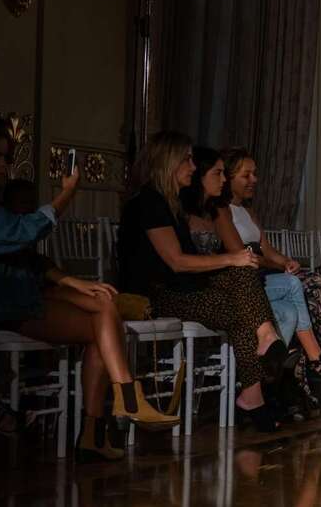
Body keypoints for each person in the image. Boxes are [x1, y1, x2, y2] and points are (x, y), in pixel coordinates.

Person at [0, 119, 179, 463]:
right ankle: (122, 405)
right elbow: (23, 233)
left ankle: (99, 428)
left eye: (6, 158)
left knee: (103, 306)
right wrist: (67, 193)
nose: (3, 166)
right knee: (102, 318)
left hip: (22, 290)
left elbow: (26, 256)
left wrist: (70, 281)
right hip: (0, 301)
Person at [118, 131, 286, 432]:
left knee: (242, 282)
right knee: (240, 286)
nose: (193, 167)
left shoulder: (169, 203)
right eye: (187, 160)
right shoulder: (149, 202)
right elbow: (176, 261)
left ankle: (257, 377)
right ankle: (262, 362)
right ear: (169, 162)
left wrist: (235, 261)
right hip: (156, 296)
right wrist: (231, 259)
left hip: (181, 288)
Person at [220, 148, 321, 390]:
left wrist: (287, 261)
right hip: (248, 281)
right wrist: (279, 266)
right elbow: (245, 256)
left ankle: (317, 368)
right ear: (228, 177)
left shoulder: (247, 210)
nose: (254, 179)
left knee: (315, 283)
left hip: (266, 274)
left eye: (255, 174)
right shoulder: (222, 212)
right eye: (246, 175)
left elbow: (266, 249)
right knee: (311, 285)